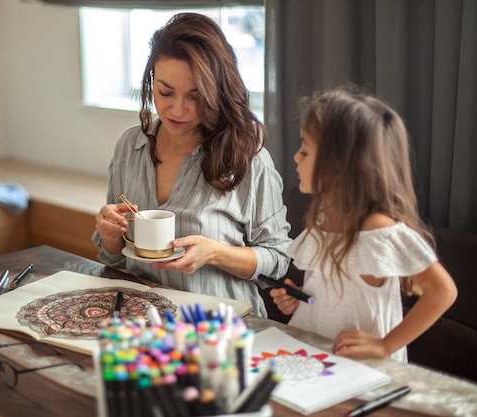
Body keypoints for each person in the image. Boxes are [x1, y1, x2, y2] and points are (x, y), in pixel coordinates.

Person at [92, 12, 292, 318]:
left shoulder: (246, 157)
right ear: (151, 82)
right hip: (142, 321)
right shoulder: (129, 148)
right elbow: (116, 260)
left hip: (219, 326)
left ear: (217, 92)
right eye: (165, 92)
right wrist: (110, 234)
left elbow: (278, 259)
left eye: (195, 96)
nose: (178, 109)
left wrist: (215, 252)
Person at [270, 85, 458, 362]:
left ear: (340, 165)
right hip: (319, 358)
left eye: (306, 151)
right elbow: (333, 293)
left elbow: (443, 291)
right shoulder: (325, 215)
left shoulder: (377, 229)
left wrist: (385, 345)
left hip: (363, 370)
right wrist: (302, 301)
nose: (296, 157)